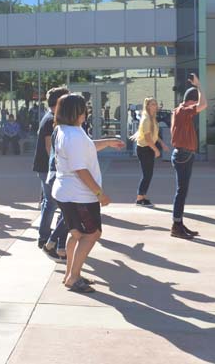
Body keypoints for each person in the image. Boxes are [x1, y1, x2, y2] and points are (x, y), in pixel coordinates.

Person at [52, 94, 124, 293]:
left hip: (66, 192)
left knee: (76, 234)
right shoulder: (73, 135)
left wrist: (107, 142)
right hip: (79, 195)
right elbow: (80, 169)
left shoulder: (64, 130)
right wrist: (99, 193)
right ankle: (73, 278)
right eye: (83, 108)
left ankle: (70, 275)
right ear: (75, 112)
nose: (86, 112)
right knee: (92, 234)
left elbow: (86, 148)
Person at [170, 73, 207, 239]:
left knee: (182, 191)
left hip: (182, 154)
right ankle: (176, 226)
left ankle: (179, 224)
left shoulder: (179, 111)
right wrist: (199, 86)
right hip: (183, 154)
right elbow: (204, 104)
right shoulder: (185, 111)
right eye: (195, 102)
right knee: (181, 192)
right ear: (192, 101)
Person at [34, 87, 69, 250]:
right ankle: (44, 237)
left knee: (49, 202)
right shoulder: (50, 120)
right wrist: (57, 168)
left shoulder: (51, 118)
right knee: (51, 203)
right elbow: (50, 148)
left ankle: (46, 236)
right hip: (46, 168)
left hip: (46, 168)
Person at [130, 97, 169, 207]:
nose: (155, 106)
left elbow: (154, 135)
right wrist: (156, 150)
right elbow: (147, 138)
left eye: (155, 104)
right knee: (147, 174)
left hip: (148, 148)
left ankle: (142, 196)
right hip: (144, 149)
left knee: (148, 174)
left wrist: (162, 143)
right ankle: (139, 198)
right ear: (147, 106)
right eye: (152, 104)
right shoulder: (146, 119)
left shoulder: (152, 118)